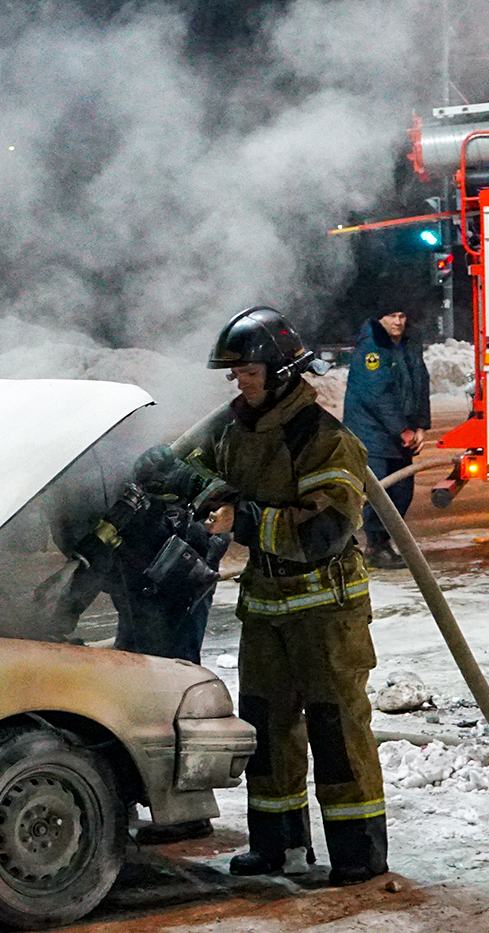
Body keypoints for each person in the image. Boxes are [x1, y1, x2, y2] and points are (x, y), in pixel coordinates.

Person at [182, 306, 388, 886]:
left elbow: (323, 532)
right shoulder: (236, 430)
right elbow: (193, 468)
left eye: (246, 371)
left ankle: (358, 850)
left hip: (326, 611)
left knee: (335, 728)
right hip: (267, 607)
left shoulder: (324, 439)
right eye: (234, 374)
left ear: (278, 371)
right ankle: (277, 846)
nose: (238, 383)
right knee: (267, 730)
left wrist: (241, 519)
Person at [341, 305, 431, 569]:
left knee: (402, 492)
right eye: (391, 316)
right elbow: (377, 394)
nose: (398, 322)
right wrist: (402, 429)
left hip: (399, 433)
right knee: (381, 492)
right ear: (379, 319)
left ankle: (384, 543)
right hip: (372, 434)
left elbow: (420, 384)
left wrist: (420, 426)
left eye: (402, 316)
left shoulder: (409, 345)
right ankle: (375, 546)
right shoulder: (372, 348)